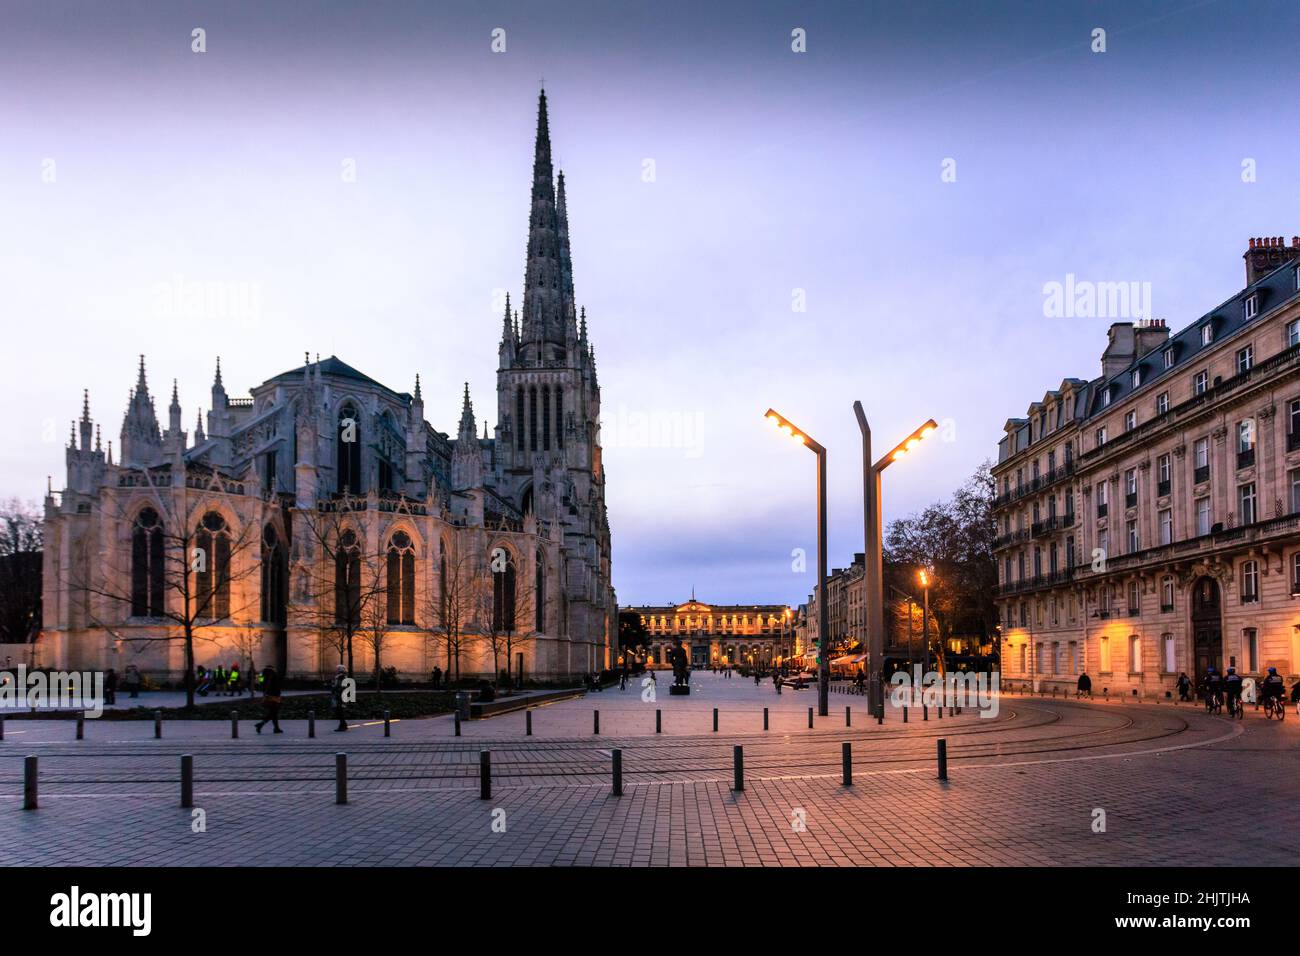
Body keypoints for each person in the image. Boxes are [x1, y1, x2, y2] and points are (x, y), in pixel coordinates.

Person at [255, 665, 283, 734]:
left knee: (274, 713)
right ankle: (261, 724)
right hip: (274, 696)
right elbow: (273, 685)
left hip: (269, 695)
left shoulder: (263, 674)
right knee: (273, 712)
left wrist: (264, 692)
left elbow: (261, 683)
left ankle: (276, 728)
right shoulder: (272, 674)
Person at [331, 664, 349, 732]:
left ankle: (342, 726)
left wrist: (334, 688)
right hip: (341, 696)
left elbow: (340, 687)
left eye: (337, 669)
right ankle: (343, 725)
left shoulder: (341, 677)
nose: (336, 670)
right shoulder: (341, 677)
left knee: (339, 711)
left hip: (340, 697)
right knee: (339, 711)